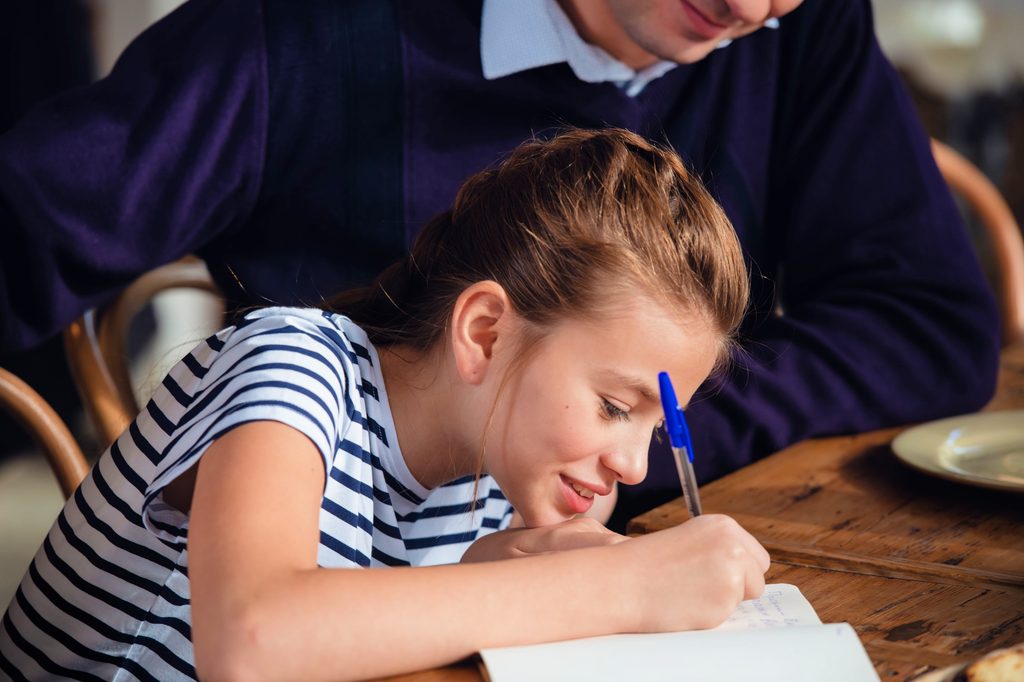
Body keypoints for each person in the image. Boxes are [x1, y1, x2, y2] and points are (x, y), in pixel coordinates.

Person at [0, 0, 1001, 524]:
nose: (749, 7)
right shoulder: (304, 30)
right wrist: (570, 432)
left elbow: (927, 326)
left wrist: (619, 437)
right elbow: (29, 223)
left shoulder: (801, 29)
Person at [0, 128, 769, 681]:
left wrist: (498, 563)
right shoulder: (292, 366)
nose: (633, 466)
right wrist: (616, 587)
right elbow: (252, 640)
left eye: (657, 427)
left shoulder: (499, 471)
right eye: (614, 406)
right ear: (485, 331)